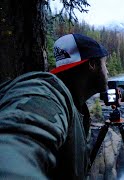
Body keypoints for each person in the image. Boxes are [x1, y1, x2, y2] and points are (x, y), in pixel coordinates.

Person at [0, 34, 108, 179]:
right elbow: (18, 141)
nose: (108, 71)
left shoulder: (74, 103)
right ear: (92, 64)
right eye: (105, 63)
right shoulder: (46, 93)